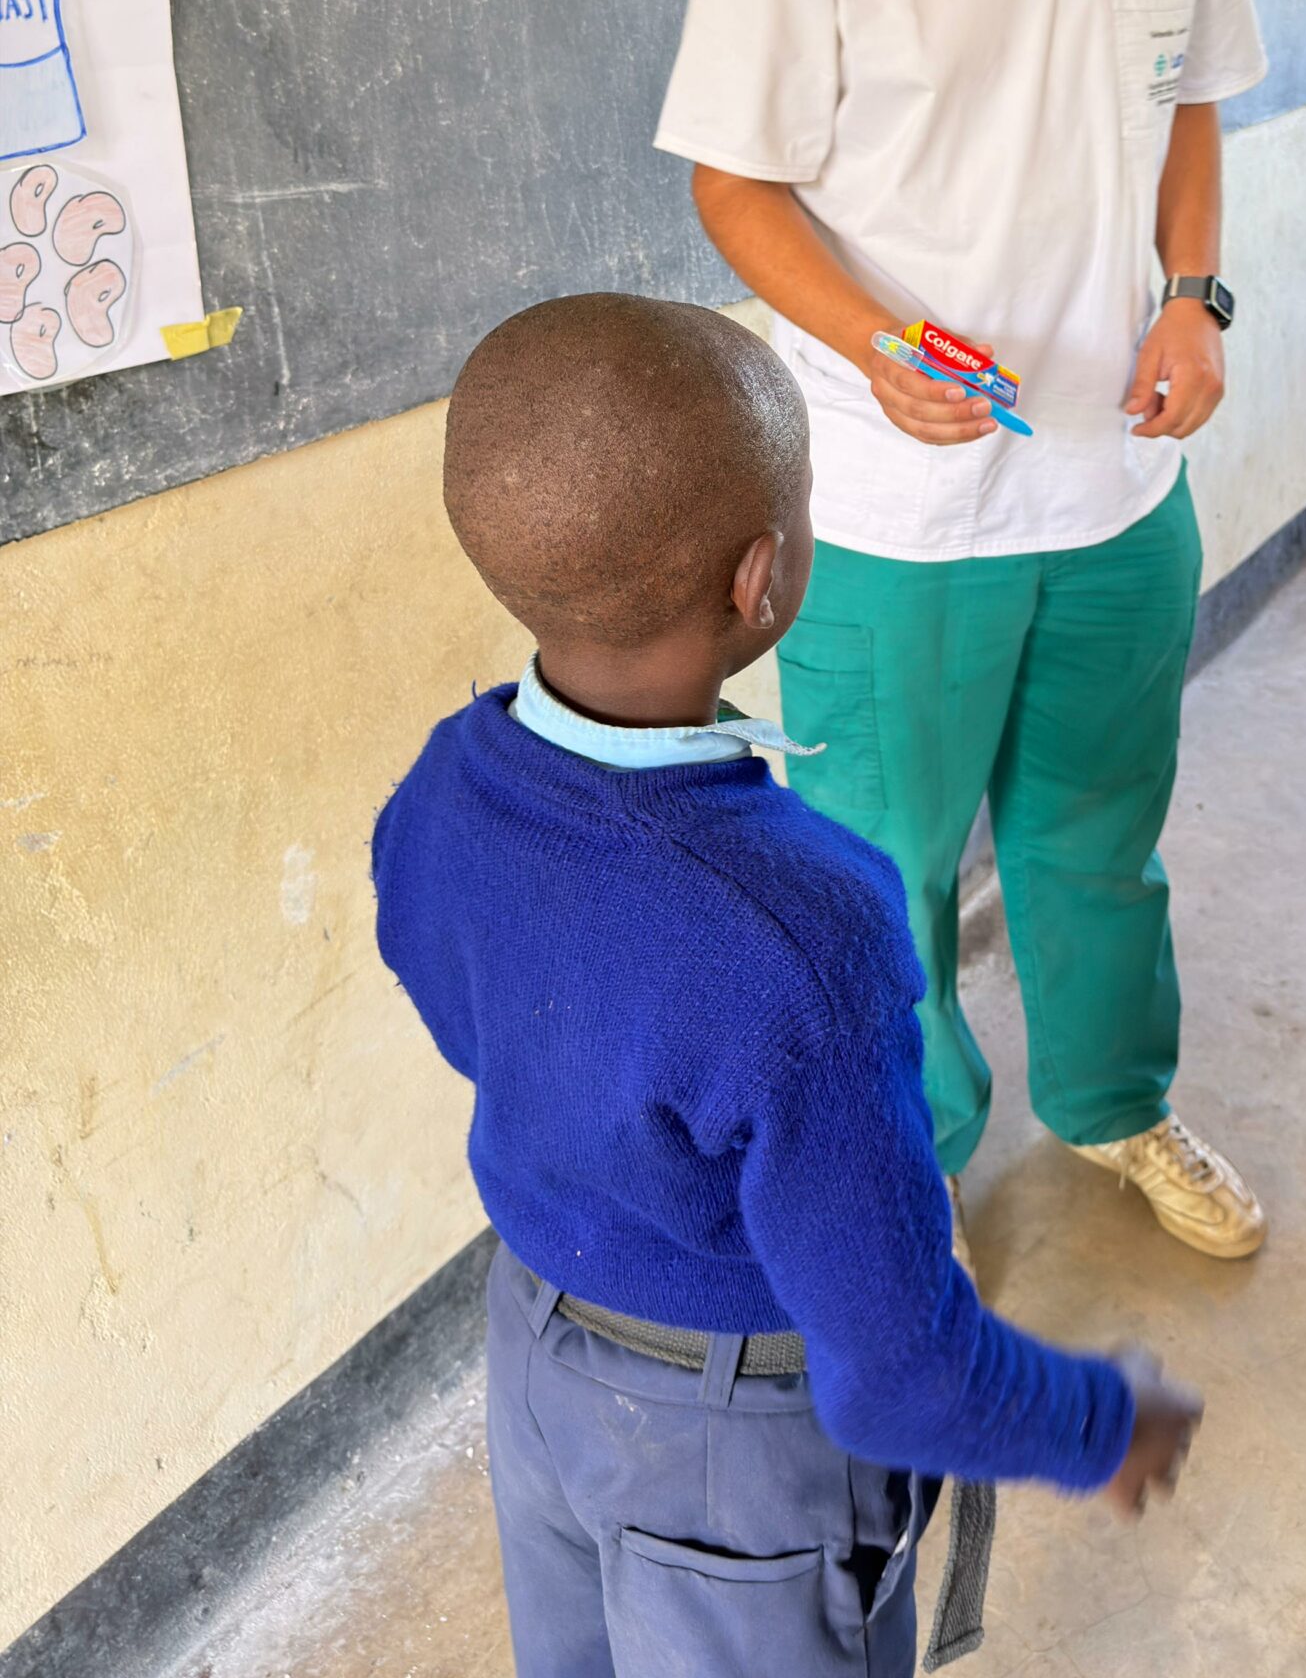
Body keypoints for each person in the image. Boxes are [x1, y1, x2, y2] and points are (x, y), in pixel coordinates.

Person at [372, 295, 1203, 1678]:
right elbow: (903, 1373)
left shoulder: (448, 781)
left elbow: (450, 981)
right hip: (735, 1444)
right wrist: (1101, 1424)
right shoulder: (802, 925)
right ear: (761, 578)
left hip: (537, 1361)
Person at [654, 0, 1270, 1265]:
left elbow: (1190, 103)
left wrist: (1194, 293)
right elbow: (736, 183)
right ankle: (899, 1155)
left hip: (1115, 484)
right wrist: (872, 342)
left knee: (1097, 840)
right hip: (892, 505)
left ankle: (1117, 1102)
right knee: (880, 876)